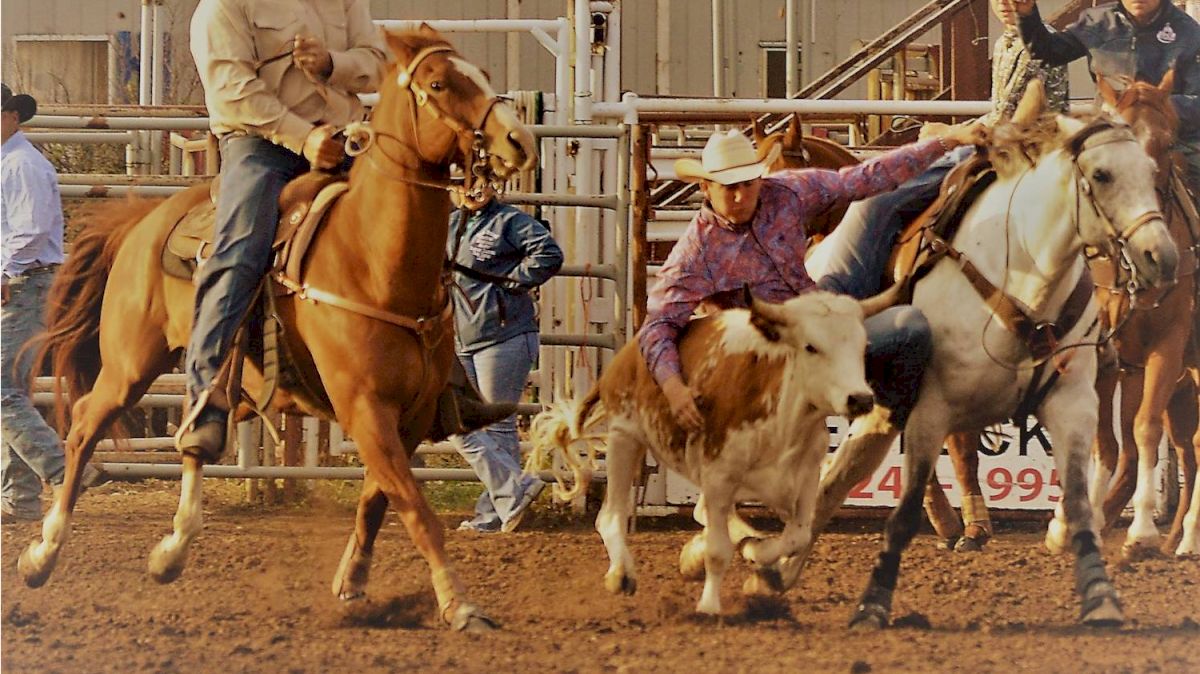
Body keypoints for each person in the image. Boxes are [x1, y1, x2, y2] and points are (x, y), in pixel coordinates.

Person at [181, 0, 510, 457]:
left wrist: (332, 64)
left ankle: (448, 389)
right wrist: (302, 136)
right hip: (261, 145)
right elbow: (233, 91)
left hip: (344, 138)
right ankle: (205, 396)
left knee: (412, 244)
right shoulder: (223, 7)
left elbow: (377, 64)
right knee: (239, 251)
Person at [642, 122, 987, 434]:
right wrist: (673, 387)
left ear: (759, 179)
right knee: (909, 325)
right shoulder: (697, 252)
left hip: (818, 306)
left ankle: (963, 148)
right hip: (788, 348)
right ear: (706, 187)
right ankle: (881, 416)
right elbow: (659, 324)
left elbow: (863, 178)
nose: (741, 196)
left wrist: (941, 143)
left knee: (874, 201)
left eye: (748, 184)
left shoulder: (785, 192)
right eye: (729, 188)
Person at [816, 0, 1070, 302]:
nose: (1005, 2)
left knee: (877, 200)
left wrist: (949, 133)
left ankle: (843, 300)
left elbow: (1016, 129)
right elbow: (1001, 116)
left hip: (1013, 158)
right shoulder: (1007, 43)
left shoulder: (1039, 47)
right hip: (999, 149)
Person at [1, 83, 100, 520]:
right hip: (24, 281)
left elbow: (33, 229)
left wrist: (4, 270)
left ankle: (64, 470)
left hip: (24, 281)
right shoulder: (15, 161)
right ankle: (19, 500)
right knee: (12, 391)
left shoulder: (20, 165)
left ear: (11, 117)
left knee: (3, 391)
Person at [448, 187, 562, 533]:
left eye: (483, 178)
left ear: (496, 184)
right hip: (461, 338)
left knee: (492, 426)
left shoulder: (509, 221)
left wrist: (508, 285)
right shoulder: (451, 225)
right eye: (466, 180)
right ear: (454, 187)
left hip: (503, 335)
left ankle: (496, 512)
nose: (475, 187)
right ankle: (511, 498)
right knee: (467, 423)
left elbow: (548, 253)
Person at [1010, 0, 1200, 193]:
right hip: (1106, 132)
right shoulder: (1096, 21)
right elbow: (1047, 51)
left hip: (1169, 138)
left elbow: (1197, 102)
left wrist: (1148, 109)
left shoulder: (1190, 33)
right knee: (1050, 183)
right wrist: (1027, 15)